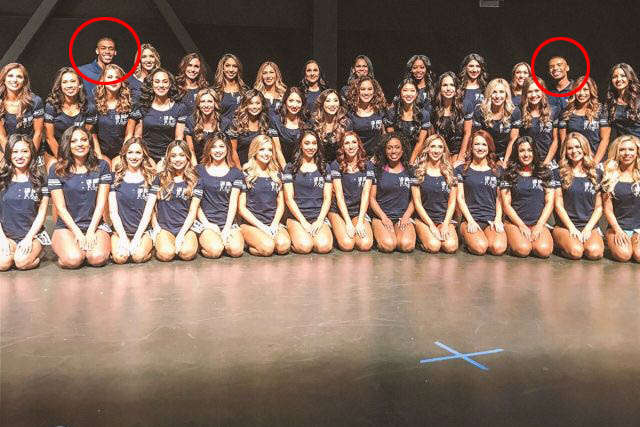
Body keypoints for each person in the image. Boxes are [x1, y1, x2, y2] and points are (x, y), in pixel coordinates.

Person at [48, 126, 112, 268]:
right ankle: (68, 251)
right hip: (67, 226)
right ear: (67, 144)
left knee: (96, 258)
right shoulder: (56, 169)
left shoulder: (102, 166)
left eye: (84, 140)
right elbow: (60, 208)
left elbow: (101, 205)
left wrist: (90, 231)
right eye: (74, 141)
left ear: (89, 143)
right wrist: (77, 233)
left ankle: (85, 249)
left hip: (95, 224)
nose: (80, 144)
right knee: (74, 259)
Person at [500, 136, 556, 258]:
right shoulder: (508, 173)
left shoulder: (545, 172)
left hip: (538, 223)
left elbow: (549, 202)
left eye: (530, 150)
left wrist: (540, 225)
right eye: (522, 151)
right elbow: (506, 205)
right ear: (516, 153)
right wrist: (521, 225)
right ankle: (513, 240)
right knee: (523, 249)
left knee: (544, 251)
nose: (526, 154)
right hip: (515, 223)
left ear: (534, 151)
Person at [147, 140, 202, 261]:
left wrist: (181, 235)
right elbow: (151, 207)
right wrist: (156, 227)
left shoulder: (195, 179)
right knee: (166, 254)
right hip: (164, 227)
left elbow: (193, 211)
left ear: (188, 157)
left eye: (182, 155)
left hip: (186, 227)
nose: (178, 159)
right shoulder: (160, 177)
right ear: (169, 158)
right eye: (173, 156)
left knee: (187, 254)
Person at [0, 134, 49, 270]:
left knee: (21, 262)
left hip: (33, 235)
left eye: (24, 151)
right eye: (15, 152)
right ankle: (16, 253)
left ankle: (36, 254)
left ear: (31, 153)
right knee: (2, 264)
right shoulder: (2, 179)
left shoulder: (41, 179)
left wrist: (28, 238)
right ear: (9, 154)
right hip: (7, 235)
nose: (19, 156)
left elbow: (42, 214)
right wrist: (2, 239)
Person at [552, 132, 604, 260]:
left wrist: (588, 229)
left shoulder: (597, 173)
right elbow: (558, 206)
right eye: (570, 148)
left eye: (577, 147)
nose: (574, 151)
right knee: (576, 252)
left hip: (588, 225)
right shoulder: (558, 173)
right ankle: (560, 243)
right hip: (566, 225)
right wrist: (572, 228)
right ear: (565, 151)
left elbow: (599, 207)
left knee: (594, 253)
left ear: (584, 148)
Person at [455, 130, 507, 255]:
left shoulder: (498, 170)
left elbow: (499, 198)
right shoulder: (461, 169)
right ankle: (468, 239)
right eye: (476, 144)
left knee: (498, 248)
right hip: (470, 219)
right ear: (471, 146)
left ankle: (485, 236)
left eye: (484, 144)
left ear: (489, 147)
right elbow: (460, 197)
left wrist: (498, 219)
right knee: (480, 248)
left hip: (491, 219)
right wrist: (470, 220)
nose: (480, 148)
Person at [238, 134, 291, 256]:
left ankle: (262, 240)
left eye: (270, 150)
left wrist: (274, 224)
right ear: (254, 151)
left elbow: (280, 205)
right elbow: (241, 208)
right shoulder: (246, 174)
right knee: (267, 248)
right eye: (262, 149)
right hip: (252, 223)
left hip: (272, 222)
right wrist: (262, 227)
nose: (266, 153)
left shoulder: (276, 174)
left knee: (283, 246)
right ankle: (251, 244)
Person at [283, 130, 333, 254]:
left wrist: (320, 220)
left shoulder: (324, 167)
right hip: (297, 217)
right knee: (304, 247)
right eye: (307, 143)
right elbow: (289, 199)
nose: (311, 147)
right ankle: (293, 237)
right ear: (300, 145)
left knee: (323, 247)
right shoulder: (290, 168)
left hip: (317, 216)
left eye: (314, 143)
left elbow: (327, 198)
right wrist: (303, 222)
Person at [195, 132, 245, 258]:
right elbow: (195, 204)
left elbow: (233, 203)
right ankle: (202, 243)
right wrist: (207, 224)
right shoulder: (198, 170)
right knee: (215, 251)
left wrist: (227, 228)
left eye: (221, 146)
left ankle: (218, 240)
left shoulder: (236, 173)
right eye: (213, 147)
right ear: (208, 149)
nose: (218, 150)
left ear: (228, 149)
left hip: (227, 222)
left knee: (236, 251)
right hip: (206, 222)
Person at [108, 137, 155, 264]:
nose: (134, 157)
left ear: (144, 155)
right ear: (124, 155)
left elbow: (148, 213)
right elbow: (113, 213)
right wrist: (123, 238)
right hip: (120, 231)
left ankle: (150, 249)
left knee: (137, 256)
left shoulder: (151, 178)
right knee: (120, 258)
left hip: (143, 231)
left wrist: (137, 238)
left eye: (138, 152)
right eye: (130, 152)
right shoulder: (115, 177)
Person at [126, 68, 187, 164]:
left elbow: (178, 139)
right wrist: (146, 159)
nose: (161, 85)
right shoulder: (143, 106)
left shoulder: (179, 107)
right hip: (145, 157)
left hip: (169, 158)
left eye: (165, 82)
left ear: (170, 84)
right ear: (152, 84)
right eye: (157, 82)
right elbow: (138, 137)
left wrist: (166, 160)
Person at [327, 131, 374, 252]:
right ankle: (336, 230)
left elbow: (366, 194)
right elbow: (339, 196)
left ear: (359, 145)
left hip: (357, 211)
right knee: (347, 244)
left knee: (365, 244)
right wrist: (348, 222)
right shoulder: (336, 165)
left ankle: (352, 226)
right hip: (338, 211)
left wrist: (360, 221)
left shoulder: (368, 165)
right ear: (342, 147)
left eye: (354, 142)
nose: (351, 146)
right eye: (347, 143)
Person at [369, 132, 416, 252]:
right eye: (389, 148)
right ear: (385, 151)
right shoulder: (377, 170)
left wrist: (406, 217)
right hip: (381, 216)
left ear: (402, 150)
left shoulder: (410, 171)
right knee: (388, 245)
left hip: (402, 216)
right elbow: (372, 199)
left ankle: (397, 233)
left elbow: (414, 199)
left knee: (406, 245)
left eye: (397, 147)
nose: (393, 151)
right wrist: (383, 217)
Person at [411, 134, 458, 253]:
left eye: (440, 147)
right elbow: (417, 203)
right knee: (434, 246)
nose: (436, 151)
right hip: (424, 219)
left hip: (443, 219)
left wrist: (446, 224)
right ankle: (420, 239)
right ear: (427, 149)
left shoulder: (450, 172)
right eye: (433, 146)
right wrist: (431, 225)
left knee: (451, 246)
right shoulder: (418, 171)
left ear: (444, 150)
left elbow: (452, 203)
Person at [411, 71, 469, 162]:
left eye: (452, 85)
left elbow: (467, 133)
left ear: (456, 88)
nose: (448, 88)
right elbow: (427, 138)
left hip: (457, 154)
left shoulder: (464, 106)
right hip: (437, 153)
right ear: (439, 89)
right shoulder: (431, 108)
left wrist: (460, 159)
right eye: (445, 85)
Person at [601, 134, 640, 262]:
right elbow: (608, 210)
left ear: (637, 152)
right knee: (624, 255)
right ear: (617, 152)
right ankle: (611, 241)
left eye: (631, 149)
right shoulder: (609, 175)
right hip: (617, 227)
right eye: (622, 150)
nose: (627, 153)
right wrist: (617, 230)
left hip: (638, 228)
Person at [44, 67, 92, 167]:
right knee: (55, 166)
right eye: (65, 82)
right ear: (60, 86)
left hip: (79, 151)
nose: (69, 85)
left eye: (73, 81)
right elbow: (49, 137)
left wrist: (79, 158)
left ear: (80, 85)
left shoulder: (88, 106)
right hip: (55, 152)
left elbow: (86, 136)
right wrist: (62, 160)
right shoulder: (51, 106)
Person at [464, 78, 521, 161]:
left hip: (506, 153)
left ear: (506, 94)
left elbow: (513, 140)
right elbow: (477, 138)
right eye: (494, 92)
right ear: (489, 94)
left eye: (501, 92)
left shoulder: (514, 111)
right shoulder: (480, 110)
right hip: (485, 152)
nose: (498, 96)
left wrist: (505, 162)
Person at [559, 76, 611, 165]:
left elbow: (605, 140)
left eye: (585, 89)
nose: (581, 93)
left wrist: (594, 163)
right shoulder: (566, 112)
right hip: (574, 162)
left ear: (591, 91)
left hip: (596, 161)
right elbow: (564, 142)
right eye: (578, 90)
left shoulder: (601, 110)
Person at [88, 64, 133, 162]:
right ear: (103, 80)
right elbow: (91, 133)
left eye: (117, 77)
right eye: (109, 77)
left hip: (123, 152)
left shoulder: (129, 102)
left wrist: (122, 156)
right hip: (99, 152)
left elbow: (129, 134)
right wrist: (99, 156)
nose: (114, 80)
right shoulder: (93, 103)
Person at [0, 63, 44, 153]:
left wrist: (31, 156)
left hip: (31, 149)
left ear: (24, 81)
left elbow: (38, 133)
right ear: (4, 79)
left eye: (19, 77)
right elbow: (2, 136)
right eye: (10, 76)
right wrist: (10, 156)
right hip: (7, 150)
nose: (14, 80)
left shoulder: (35, 101)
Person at [518, 77, 559, 165]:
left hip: (548, 161)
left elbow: (555, 140)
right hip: (528, 161)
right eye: (530, 92)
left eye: (537, 91)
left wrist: (546, 162)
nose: (533, 95)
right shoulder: (519, 112)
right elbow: (516, 140)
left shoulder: (553, 110)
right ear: (525, 94)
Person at [227, 89, 271, 168]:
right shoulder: (236, 124)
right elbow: (233, 151)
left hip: (261, 167)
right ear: (245, 105)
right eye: (251, 103)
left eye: (258, 103)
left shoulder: (266, 123)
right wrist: (240, 171)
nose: (254, 107)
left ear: (262, 105)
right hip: (241, 167)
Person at [345, 75, 387, 156]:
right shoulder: (350, 113)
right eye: (362, 89)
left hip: (377, 157)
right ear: (357, 91)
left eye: (370, 89)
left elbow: (383, 135)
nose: (366, 93)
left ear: (374, 91)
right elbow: (348, 140)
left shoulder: (380, 109)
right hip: (357, 156)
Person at [385, 78, 429, 150]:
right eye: (405, 90)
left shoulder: (424, 114)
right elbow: (393, 141)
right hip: (397, 151)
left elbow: (420, 142)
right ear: (400, 93)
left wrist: (412, 157)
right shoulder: (392, 112)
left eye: (412, 91)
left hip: (417, 152)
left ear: (417, 93)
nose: (409, 94)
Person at [268, 86, 305, 167]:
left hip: (302, 165)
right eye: (291, 101)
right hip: (280, 165)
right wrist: (286, 170)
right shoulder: (275, 121)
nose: (294, 105)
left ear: (302, 104)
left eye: (298, 101)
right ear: (285, 101)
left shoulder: (306, 121)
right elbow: (277, 150)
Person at [311, 89, 349, 163]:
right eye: (328, 101)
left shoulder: (346, 123)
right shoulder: (313, 123)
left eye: (335, 100)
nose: (332, 104)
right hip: (318, 163)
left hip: (341, 164)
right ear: (322, 104)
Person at [184, 88, 220, 164]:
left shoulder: (224, 123)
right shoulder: (190, 121)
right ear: (198, 104)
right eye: (203, 101)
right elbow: (191, 150)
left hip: (218, 163)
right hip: (197, 163)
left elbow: (230, 151)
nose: (206, 105)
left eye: (210, 101)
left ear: (215, 103)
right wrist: (196, 168)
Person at [213, 53, 248, 132]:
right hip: (221, 133)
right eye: (227, 66)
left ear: (238, 69)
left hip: (241, 133)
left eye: (234, 66)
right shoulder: (215, 91)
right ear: (222, 68)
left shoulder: (245, 90)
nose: (231, 70)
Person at [605, 63, 640, 139]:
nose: (618, 79)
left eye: (623, 76)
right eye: (615, 77)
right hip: (622, 144)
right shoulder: (611, 102)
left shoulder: (638, 100)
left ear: (630, 77)